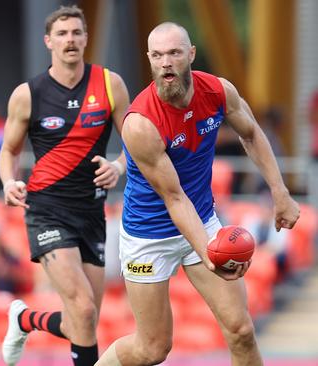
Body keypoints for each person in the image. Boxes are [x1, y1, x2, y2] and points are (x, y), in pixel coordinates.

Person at [95, 22, 300, 366]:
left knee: (241, 330)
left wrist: (281, 193)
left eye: (174, 53)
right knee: (153, 348)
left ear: (190, 54)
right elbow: (174, 198)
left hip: (202, 219)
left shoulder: (219, 91)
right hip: (149, 235)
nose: (166, 63)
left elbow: (251, 134)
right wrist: (209, 253)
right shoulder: (140, 123)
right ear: (149, 60)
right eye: (157, 55)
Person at [0, 5, 130, 366]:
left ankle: (26, 319)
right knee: (83, 308)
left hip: (92, 212)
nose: (69, 40)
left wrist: (118, 166)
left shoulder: (109, 83)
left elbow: (137, 143)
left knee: (83, 320)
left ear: (86, 39)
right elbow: (8, 151)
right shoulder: (28, 93)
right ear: (48, 41)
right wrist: (9, 181)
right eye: (61, 33)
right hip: (47, 210)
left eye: (76, 33)